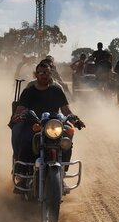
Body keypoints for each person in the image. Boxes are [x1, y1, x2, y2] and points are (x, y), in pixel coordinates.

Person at [10, 62, 85, 192]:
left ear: (51, 74)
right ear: (36, 74)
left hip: (54, 124)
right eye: (41, 72)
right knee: (26, 139)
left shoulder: (56, 90)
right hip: (34, 124)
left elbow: (66, 110)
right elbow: (21, 108)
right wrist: (18, 115)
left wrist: (75, 119)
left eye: (47, 73)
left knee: (66, 140)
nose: (44, 75)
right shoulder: (29, 91)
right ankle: (23, 177)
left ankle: (61, 175)